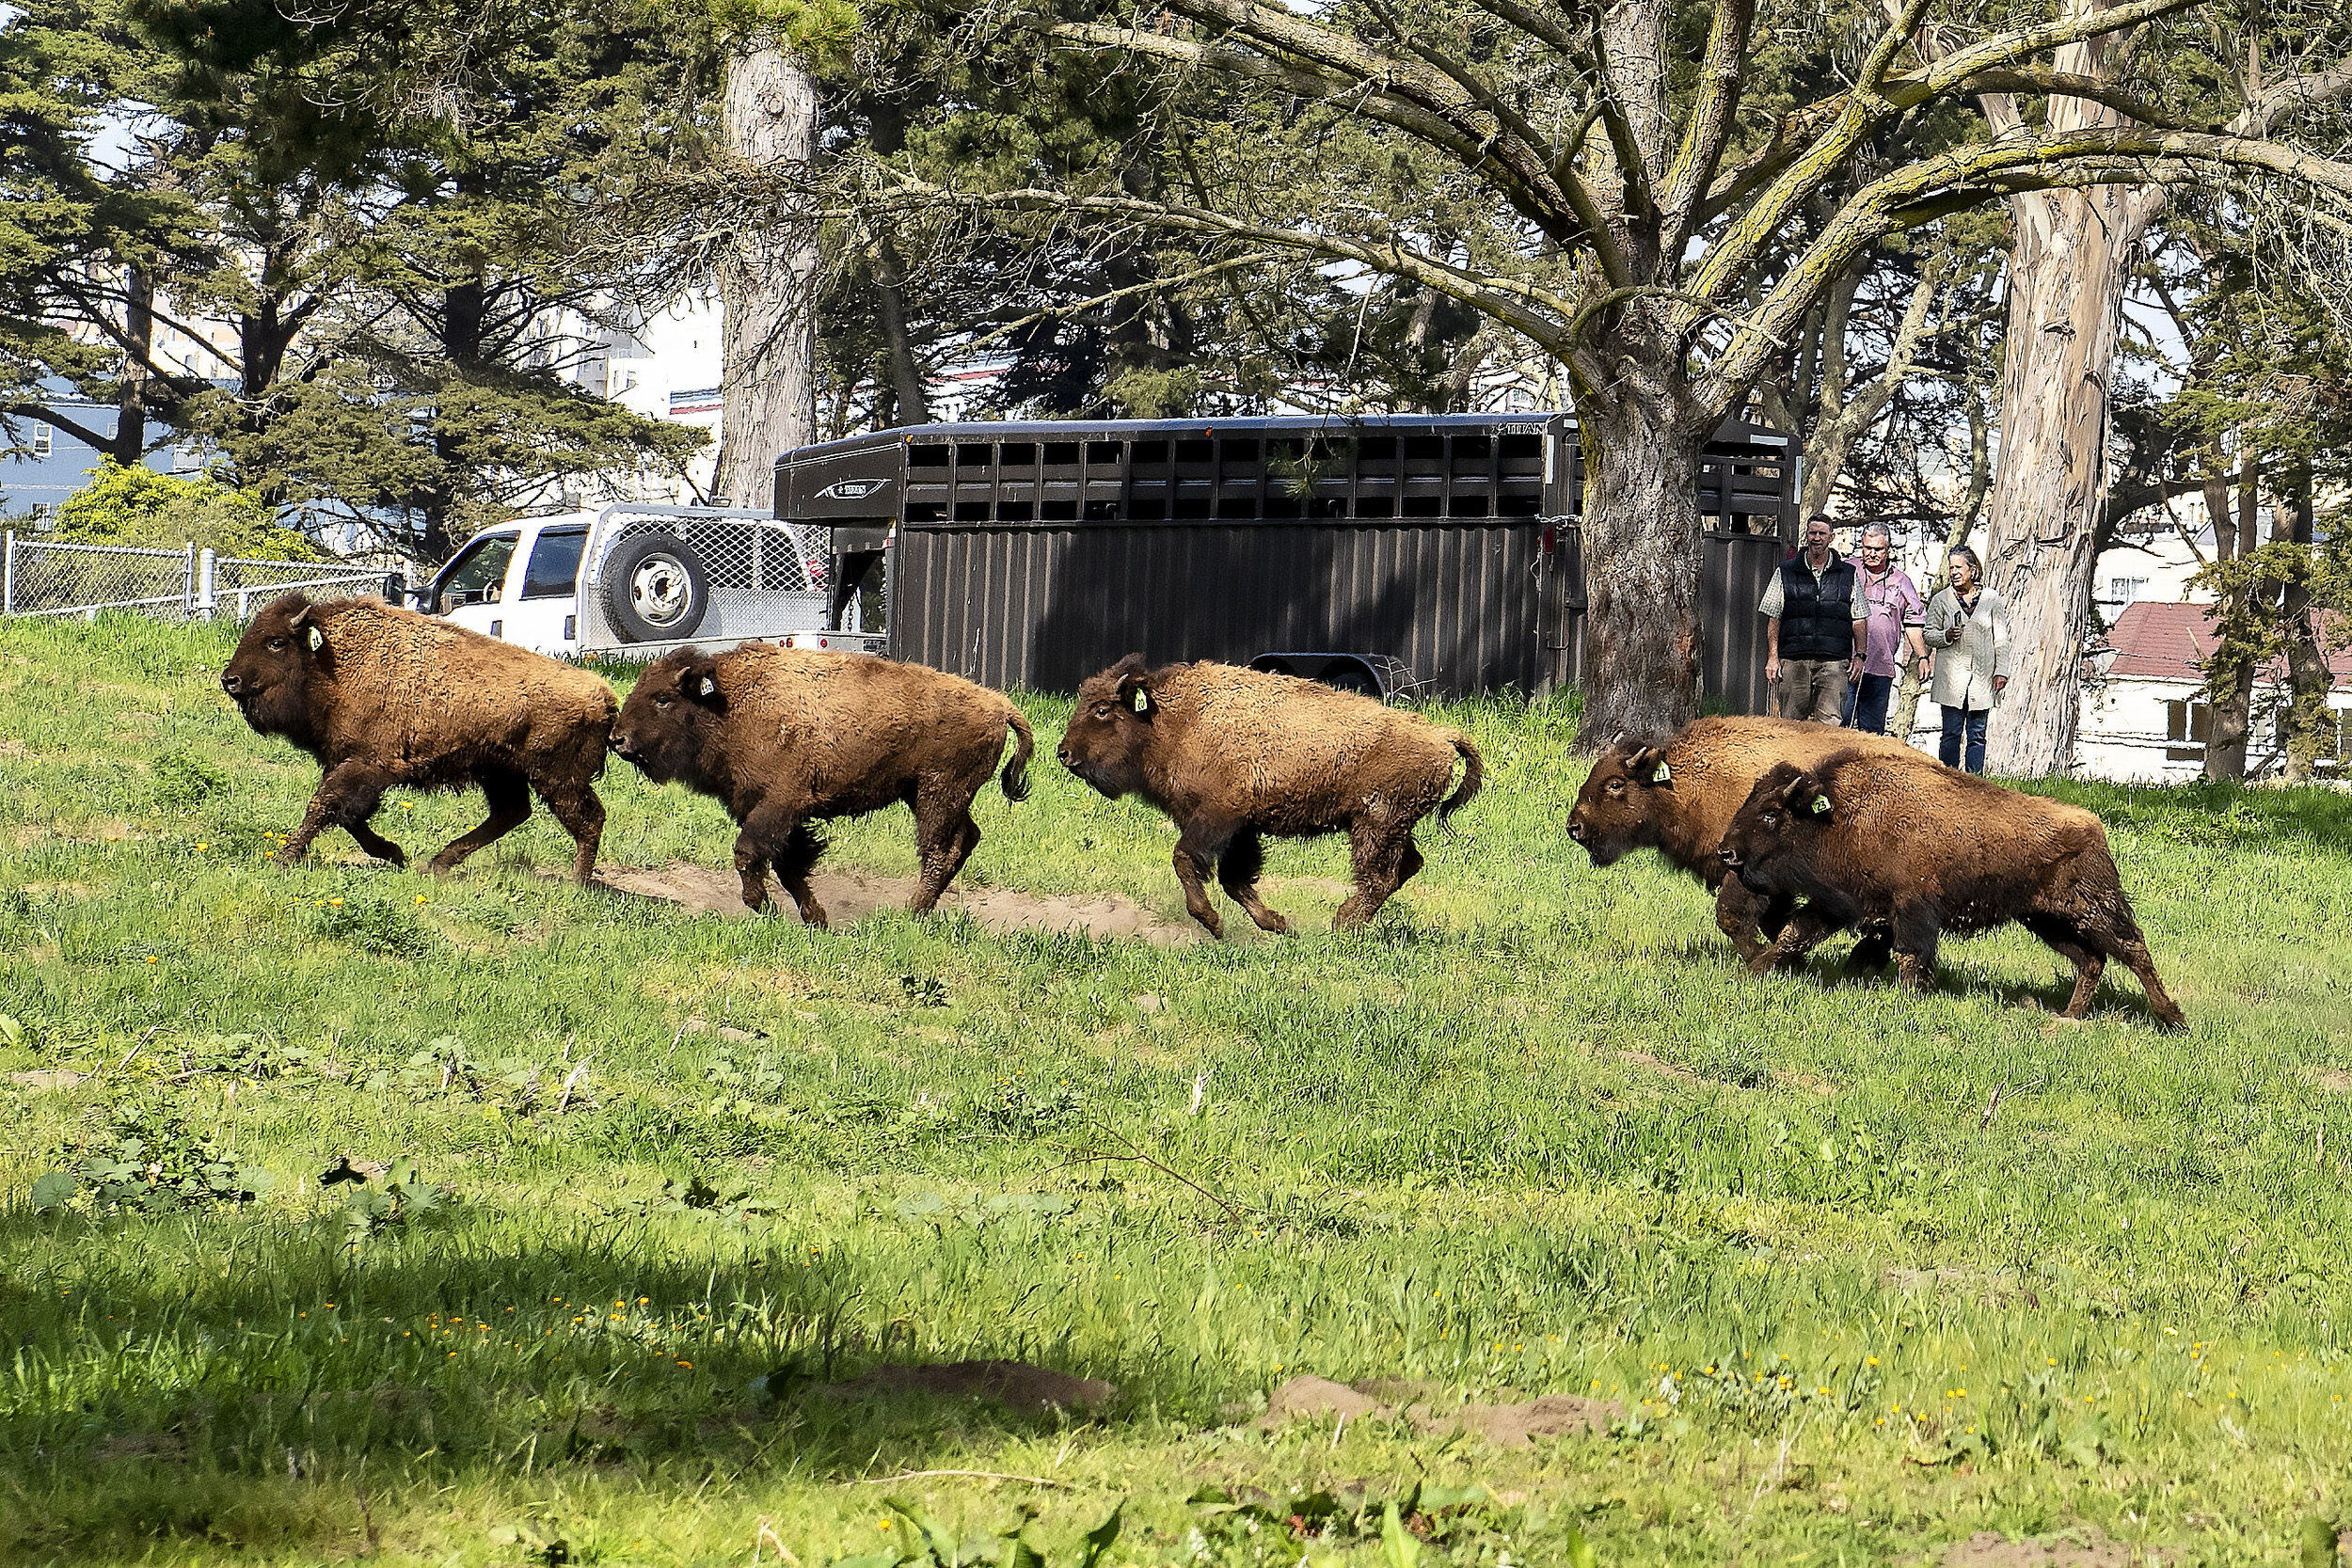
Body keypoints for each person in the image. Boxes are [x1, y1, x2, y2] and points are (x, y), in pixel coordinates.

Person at [1760, 514, 1868, 723]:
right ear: (1807, 536)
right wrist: (1773, 657)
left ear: (1831, 537)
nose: (1817, 538)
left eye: (1822, 533)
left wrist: (1860, 656)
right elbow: (1774, 617)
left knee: (1829, 728)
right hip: (1793, 661)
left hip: (1834, 662)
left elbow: (1859, 619)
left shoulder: (1848, 574)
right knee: (1791, 726)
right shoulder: (1786, 571)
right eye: (1813, 533)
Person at [1923, 545, 2010, 773]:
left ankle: (1975, 784)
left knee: (1977, 734)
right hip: (1952, 682)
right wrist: (1946, 636)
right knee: (1951, 734)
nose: (1954, 572)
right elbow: (1928, 634)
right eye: (1951, 567)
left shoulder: (1991, 599)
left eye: (1959, 567)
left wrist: (2001, 671)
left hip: (1981, 681)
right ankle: (1948, 780)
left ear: (1972, 570)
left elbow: (2000, 638)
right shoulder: (1941, 600)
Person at [1840, 523, 1927, 735]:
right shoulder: (1846, 570)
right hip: (1845, 665)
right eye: (1867, 548)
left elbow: (1913, 623)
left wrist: (1922, 656)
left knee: (1872, 735)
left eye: (1878, 549)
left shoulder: (1901, 580)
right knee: (1839, 730)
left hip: (1880, 667)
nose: (1871, 553)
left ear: (1888, 550)